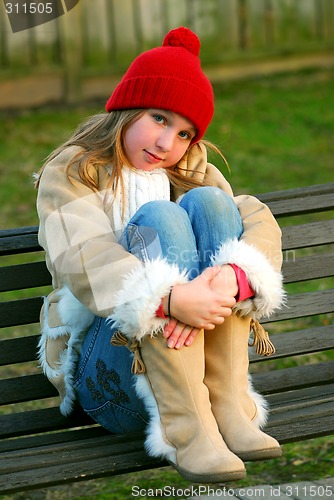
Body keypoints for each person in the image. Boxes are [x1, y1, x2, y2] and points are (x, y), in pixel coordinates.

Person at [35, 26, 285, 483]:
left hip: (202, 385)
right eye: (159, 118)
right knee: (163, 218)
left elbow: (255, 215)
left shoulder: (188, 171)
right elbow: (81, 254)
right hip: (112, 376)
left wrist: (236, 274)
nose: (168, 143)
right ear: (126, 107)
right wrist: (167, 297)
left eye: (185, 132)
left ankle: (228, 405)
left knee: (211, 204)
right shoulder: (71, 172)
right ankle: (185, 431)